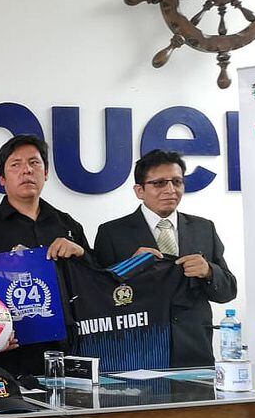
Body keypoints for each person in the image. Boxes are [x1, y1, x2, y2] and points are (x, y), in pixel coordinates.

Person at [94, 149, 237, 367]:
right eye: (159, 183)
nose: (170, 190)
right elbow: (98, 298)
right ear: (139, 191)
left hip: (194, 351)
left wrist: (208, 271)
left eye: (177, 182)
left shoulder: (203, 228)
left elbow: (228, 291)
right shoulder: (112, 233)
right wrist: (128, 268)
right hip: (139, 351)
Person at [0, 134, 89, 376]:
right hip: (9, 350)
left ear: (46, 173)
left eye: (34, 163)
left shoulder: (67, 225)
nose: (27, 170)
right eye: (16, 164)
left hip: (67, 348)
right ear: (1, 178)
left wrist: (80, 252)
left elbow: (93, 281)